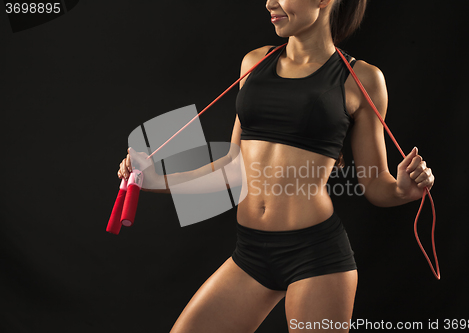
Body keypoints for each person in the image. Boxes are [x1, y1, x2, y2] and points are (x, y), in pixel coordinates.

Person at [117, 0, 435, 331]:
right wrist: (155, 177)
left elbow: (375, 185)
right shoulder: (254, 63)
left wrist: (402, 190)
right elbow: (232, 168)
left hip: (317, 256)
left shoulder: (362, 78)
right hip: (251, 253)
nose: (270, 2)